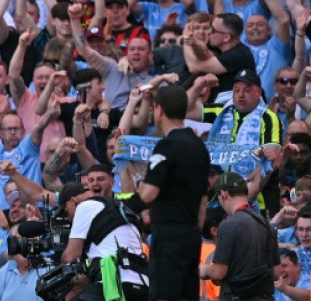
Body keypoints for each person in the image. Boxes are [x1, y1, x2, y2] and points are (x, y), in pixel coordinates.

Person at [139, 85, 212, 301]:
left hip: (169, 235)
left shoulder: (166, 146)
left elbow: (148, 194)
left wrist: (142, 184)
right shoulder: (200, 147)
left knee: (164, 295)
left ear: (159, 110)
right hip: (191, 235)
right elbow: (203, 201)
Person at [59, 181, 149, 301]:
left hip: (114, 286)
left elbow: (71, 257)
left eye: (66, 212)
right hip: (143, 287)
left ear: (73, 200)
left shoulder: (84, 206)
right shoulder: (122, 209)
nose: (69, 218)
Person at [200, 172, 280, 301]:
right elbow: (276, 273)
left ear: (223, 194)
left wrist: (202, 270)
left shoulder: (228, 225)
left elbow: (218, 272)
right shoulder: (266, 224)